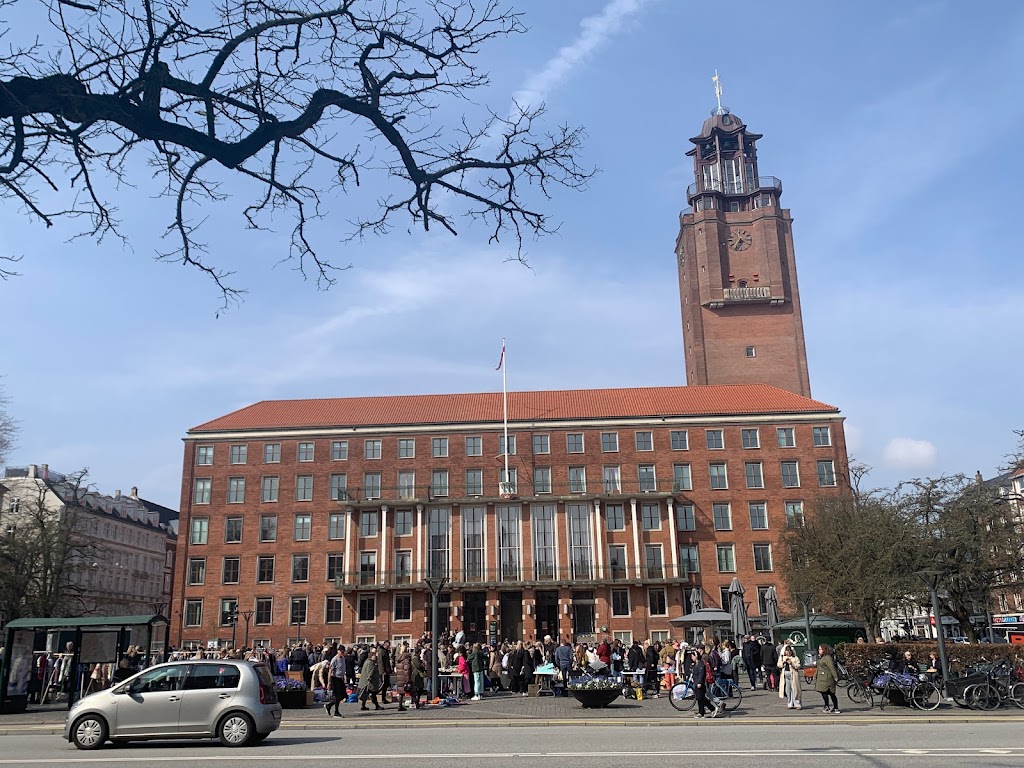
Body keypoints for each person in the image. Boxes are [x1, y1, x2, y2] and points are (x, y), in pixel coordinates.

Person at [814, 644, 840, 714]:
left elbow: (832, 668)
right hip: (822, 678)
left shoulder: (828, 658)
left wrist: (835, 677)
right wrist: (815, 675)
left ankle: (830, 707)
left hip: (827, 678)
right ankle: (832, 707)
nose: (818, 651)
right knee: (826, 692)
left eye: (820, 649)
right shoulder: (822, 657)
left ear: (824, 650)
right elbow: (818, 667)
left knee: (828, 692)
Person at [325, 647, 347, 718]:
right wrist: (329, 682)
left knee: (344, 695)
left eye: (343, 652)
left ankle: (329, 705)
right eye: (341, 652)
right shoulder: (334, 659)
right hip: (335, 678)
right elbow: (330, 671)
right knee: (338, 696)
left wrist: (344, 678)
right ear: (338, 651)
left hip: (340, 678)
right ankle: (336, 712)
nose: (342, 653)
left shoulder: (343, 658)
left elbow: (343, 668)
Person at [778, 645, 802, 709]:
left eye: (789, 651)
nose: (788, 653)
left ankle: (797, 703)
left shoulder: (795, 657)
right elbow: (779, 665)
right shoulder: (782, 657)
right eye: (786, 651)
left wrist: (791, 663)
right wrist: (783, 662)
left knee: (795, 689)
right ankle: (790, 703)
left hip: (793, 675)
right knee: (787, 690)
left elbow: (798, 666)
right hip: (785, 676)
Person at [394, 643, 412, 712]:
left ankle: (400, 705)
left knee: (401, 692)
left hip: (399, 676)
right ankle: (415, 703)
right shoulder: (406, 659)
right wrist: (408, 680)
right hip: (404, 677)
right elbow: (406, 670)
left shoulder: (398, 658)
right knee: (411, 690)